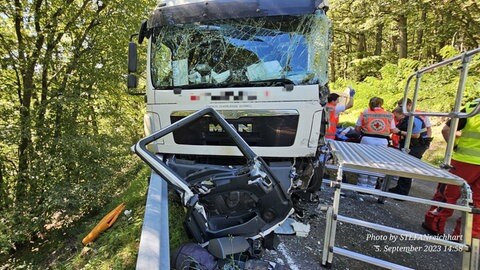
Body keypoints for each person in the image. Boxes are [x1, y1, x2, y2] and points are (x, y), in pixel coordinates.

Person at [423, 99, 480, 239]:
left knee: (447, 195)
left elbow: (446, 130)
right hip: (467, 161)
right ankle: (467, 237)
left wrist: (454, 147)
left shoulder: (472, 106)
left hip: (464, 161)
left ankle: (434, 224)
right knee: (478, 204)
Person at [388, 106, 429, 196]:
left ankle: (402, 193)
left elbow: (416, 135)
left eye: (396, 116)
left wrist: (399, 132)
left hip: (418, 145)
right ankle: (399, 188)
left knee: (408, 167)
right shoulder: (405, 120)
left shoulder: (415, 119)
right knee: (403, 166)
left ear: (402, 114)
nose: (395, 119)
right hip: (412, 144)